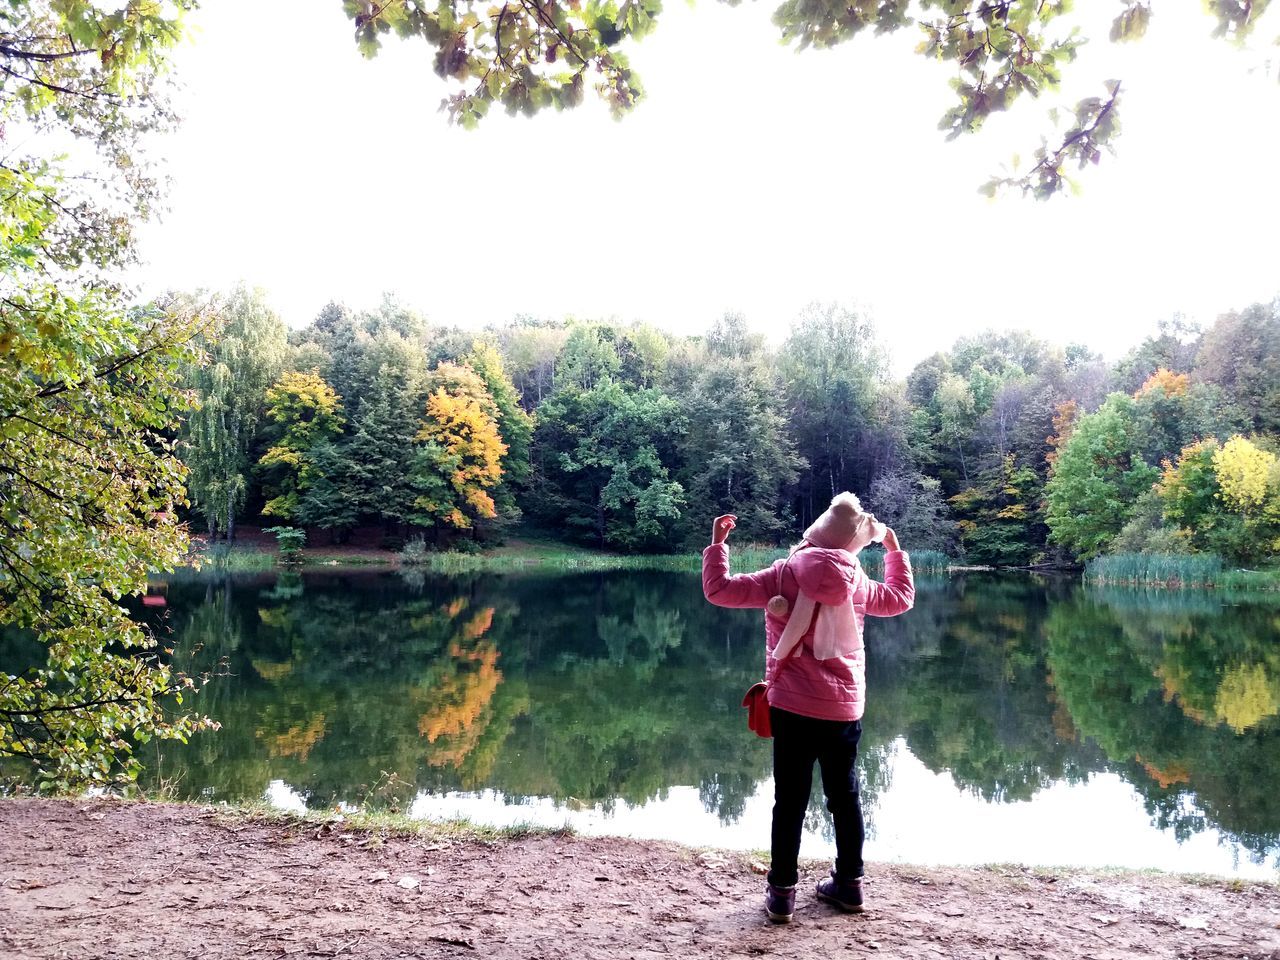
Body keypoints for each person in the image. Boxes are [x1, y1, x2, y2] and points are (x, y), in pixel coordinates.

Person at [702, 492, 914, 923]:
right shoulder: (856, 580)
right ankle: (850, 886)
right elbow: (900, 598)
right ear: (851, 545)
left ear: (814, 535)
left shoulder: (782, 575)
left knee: (790, 801)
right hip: (843, 708)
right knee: (846, 797)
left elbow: (718, 590)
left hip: (792, 707)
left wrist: (718, 544)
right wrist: (893, 549)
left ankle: (781, 894)